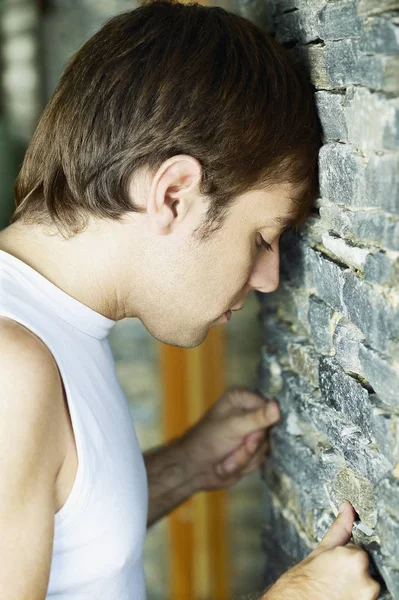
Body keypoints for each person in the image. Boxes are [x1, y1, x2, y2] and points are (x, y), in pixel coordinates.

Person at [0, 0, 380, 599]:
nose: (267, 279)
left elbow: (48, 527)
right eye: (261, 238)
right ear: (174, 193)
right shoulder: (10, 372)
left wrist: (187, 464)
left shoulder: (41, 329)